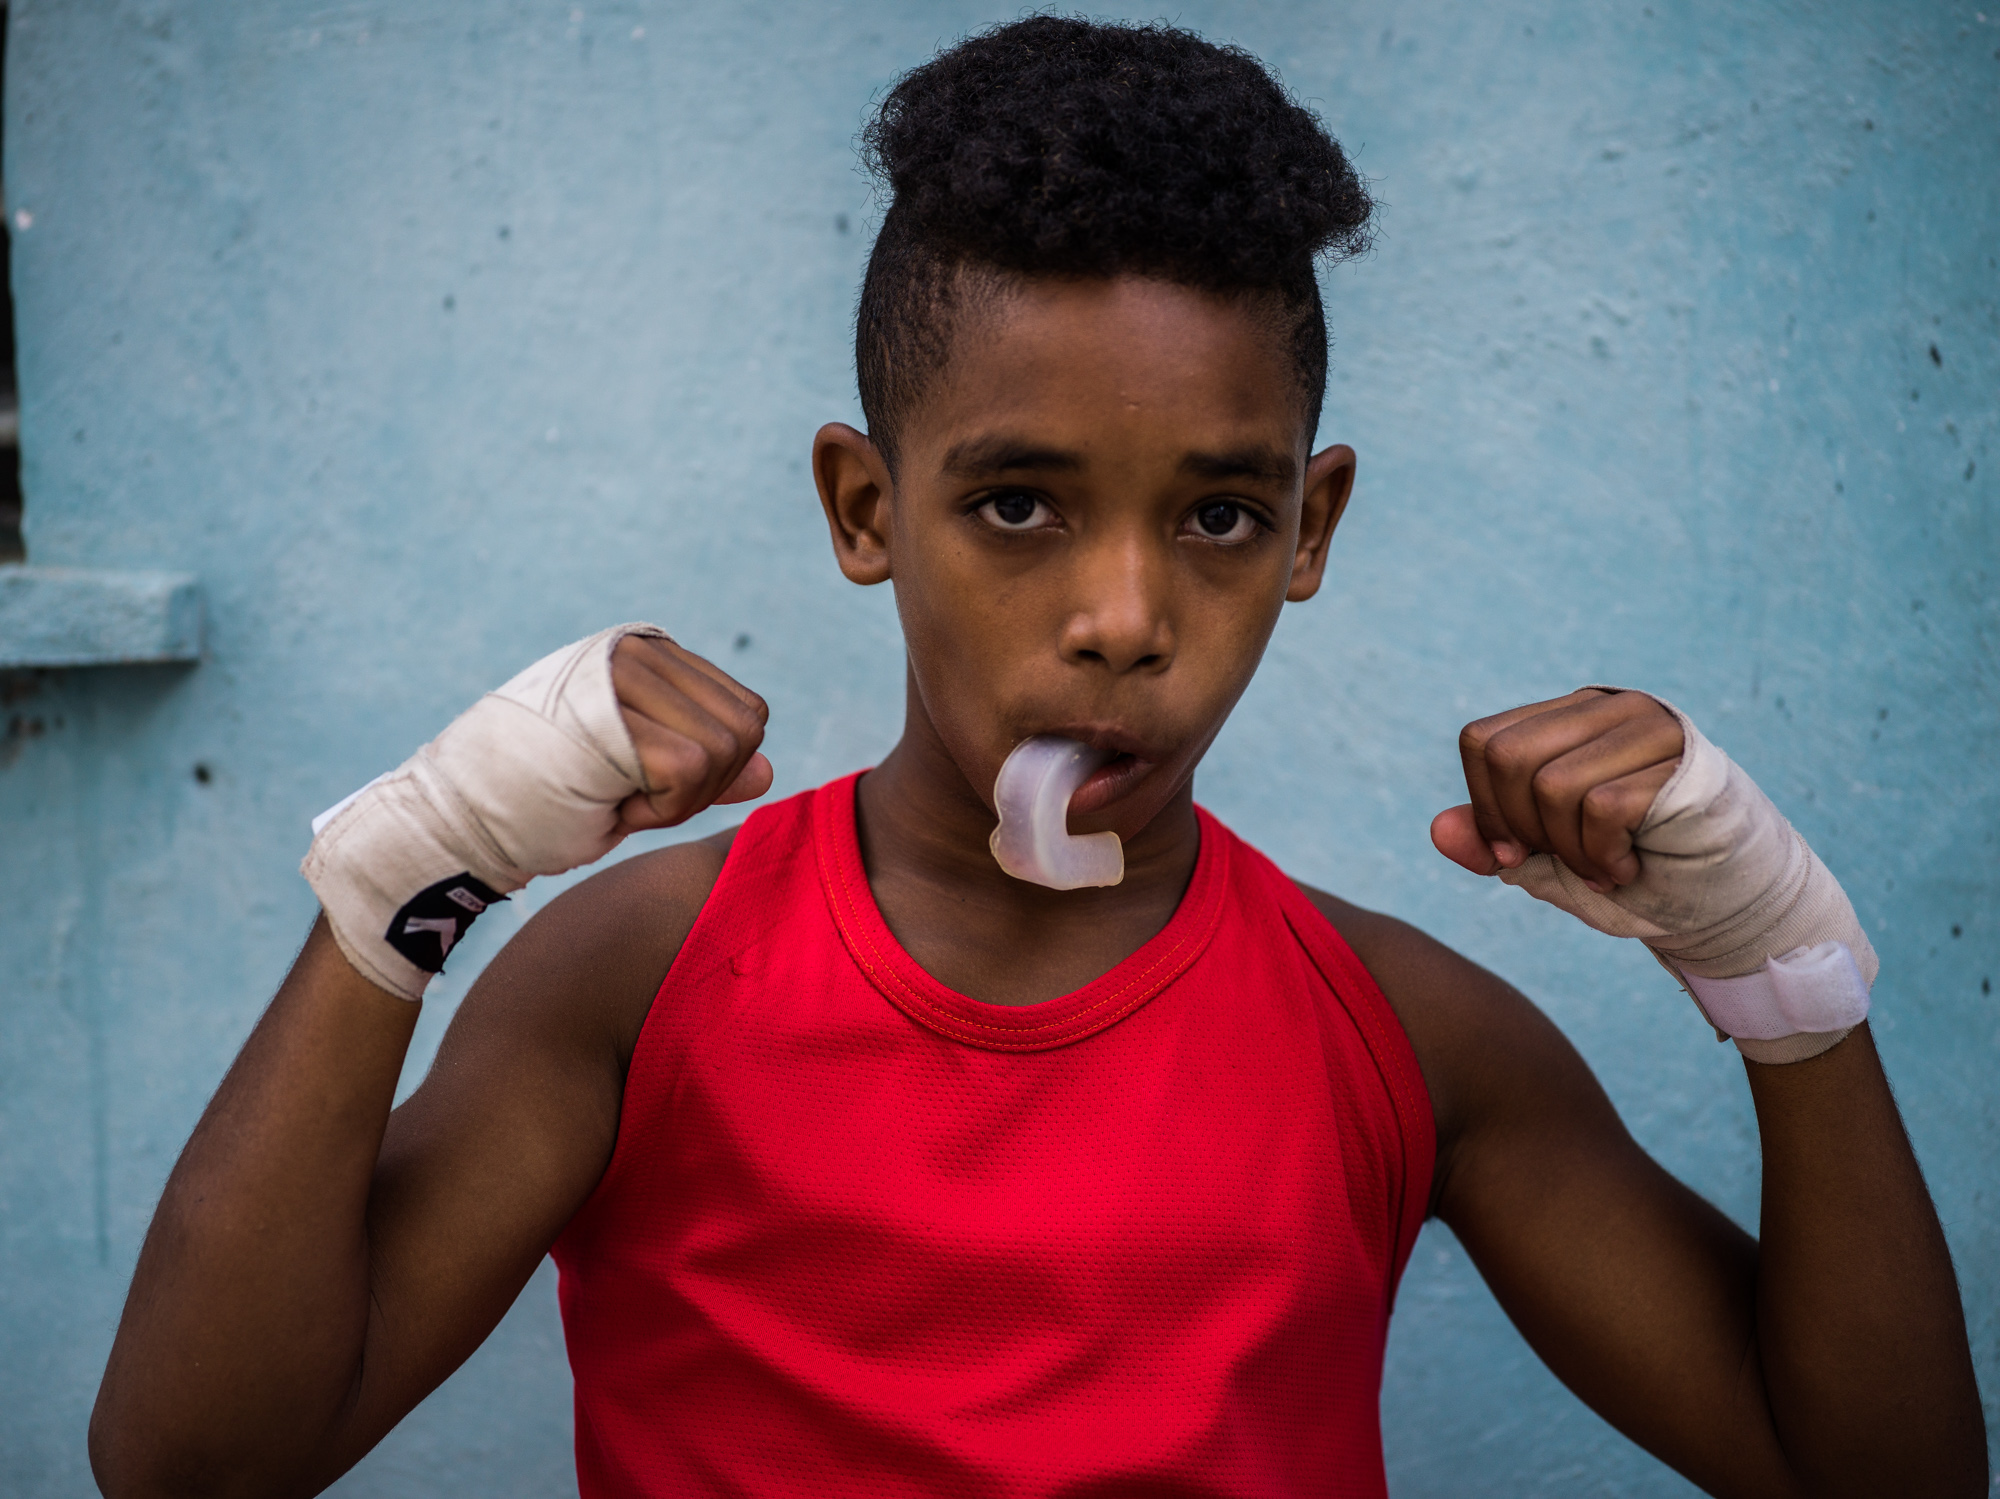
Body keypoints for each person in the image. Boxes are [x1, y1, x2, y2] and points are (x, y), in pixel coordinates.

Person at [89, 17, 1983, 1499]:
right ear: (865, 506)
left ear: (1311, 528)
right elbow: (193, 1464)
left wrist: (1783, 969)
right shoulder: (643, 978)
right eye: (1017, 504)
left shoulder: (1407, 1033)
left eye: (1220, 516)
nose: (1122, 617)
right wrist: (404, 868)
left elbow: (1871, 1476)